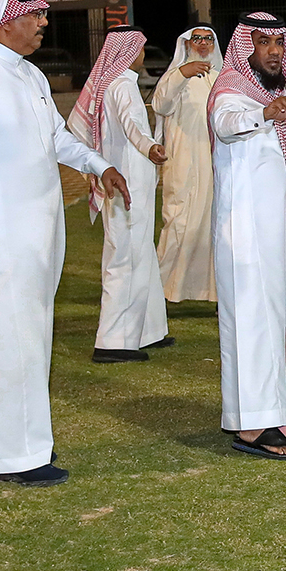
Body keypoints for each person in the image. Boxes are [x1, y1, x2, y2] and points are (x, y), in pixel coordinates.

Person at [0, 0, 131, 488]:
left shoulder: (30, 76)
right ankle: (7, 456)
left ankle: (28, 446)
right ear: (3, 23)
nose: (44, 22)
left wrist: (100, 165)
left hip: (38, 235)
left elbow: (56, 139)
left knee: (30, 340)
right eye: (34, 15)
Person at [210, 13, 286, 460]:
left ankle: (280, 415)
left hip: (273, 235)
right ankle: (252, 429)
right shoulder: (230, 90)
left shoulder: (264, 96)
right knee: (252, 328)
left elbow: (265, 160)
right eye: (264, 42)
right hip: (245, 236)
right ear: (246, 47)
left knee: (276, 324)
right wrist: (264, 113)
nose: (275, 51)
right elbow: (226, 125)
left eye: (279, 43)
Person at [71, 26, 171, 363]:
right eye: (140, 48)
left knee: (141, 252)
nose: (142, 54)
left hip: (125, 181)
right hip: (127, 184)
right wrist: (151, 146)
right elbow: (133, 125)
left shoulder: (111, 83)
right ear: (130, 52)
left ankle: (148, 330)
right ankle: (114, 342)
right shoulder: (123, 85)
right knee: (126, 257)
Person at [152, 26, 219, 303]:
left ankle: (211, 293)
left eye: (208, 39)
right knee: (179, 225)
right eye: (197, 39)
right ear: (187, 44)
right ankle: (157, 293)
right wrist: (183, 73)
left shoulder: (219, 78)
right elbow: (161, 105)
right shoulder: (174, 76)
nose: (203, 43)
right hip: (184, 163)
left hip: (213, 165)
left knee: (210, 228)